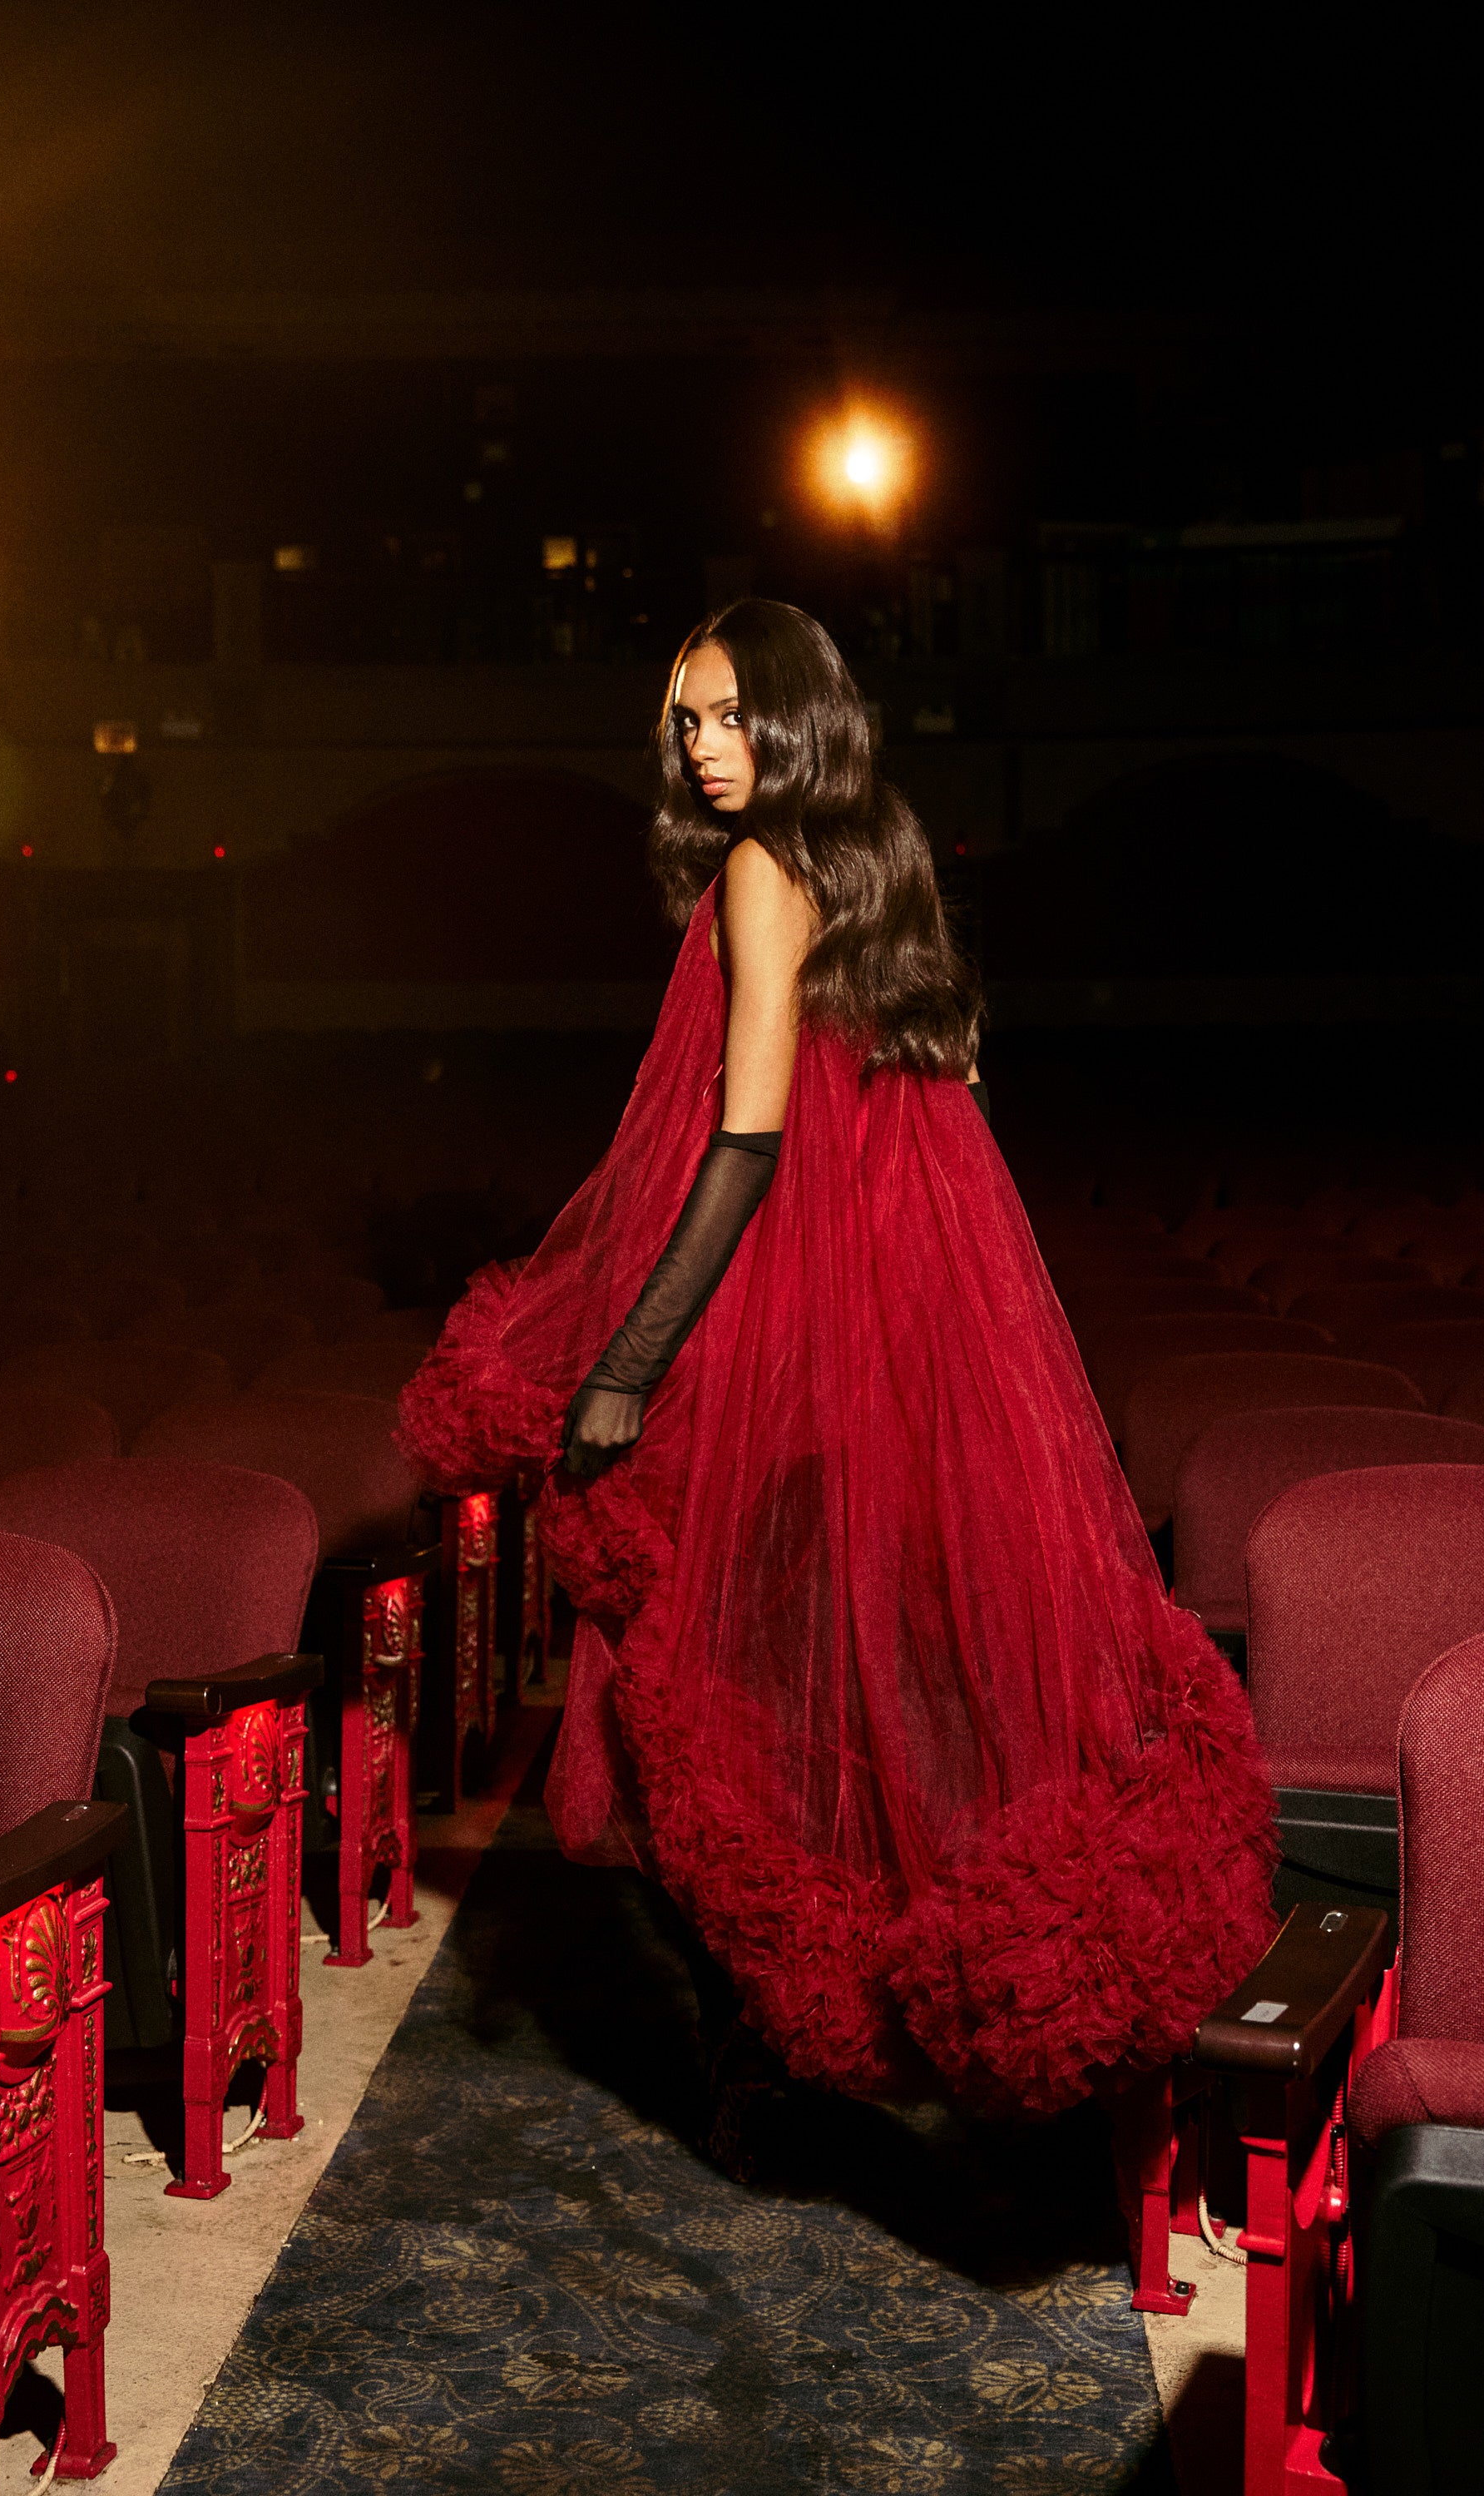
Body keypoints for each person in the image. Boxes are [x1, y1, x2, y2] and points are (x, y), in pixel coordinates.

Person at [399, 598, 1274, 2125]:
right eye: (686, 721)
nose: (706, 748)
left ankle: (787, 2046)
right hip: (900, 1328)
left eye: (734, 715)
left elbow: (744, 1146)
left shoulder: (758, 871)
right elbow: (943, 1090)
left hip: (788, 1337)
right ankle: (884, 2015)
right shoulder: (882, 853)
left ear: (802, 715)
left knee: (713, 1697)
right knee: (871, 1688)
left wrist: (626, 1362)